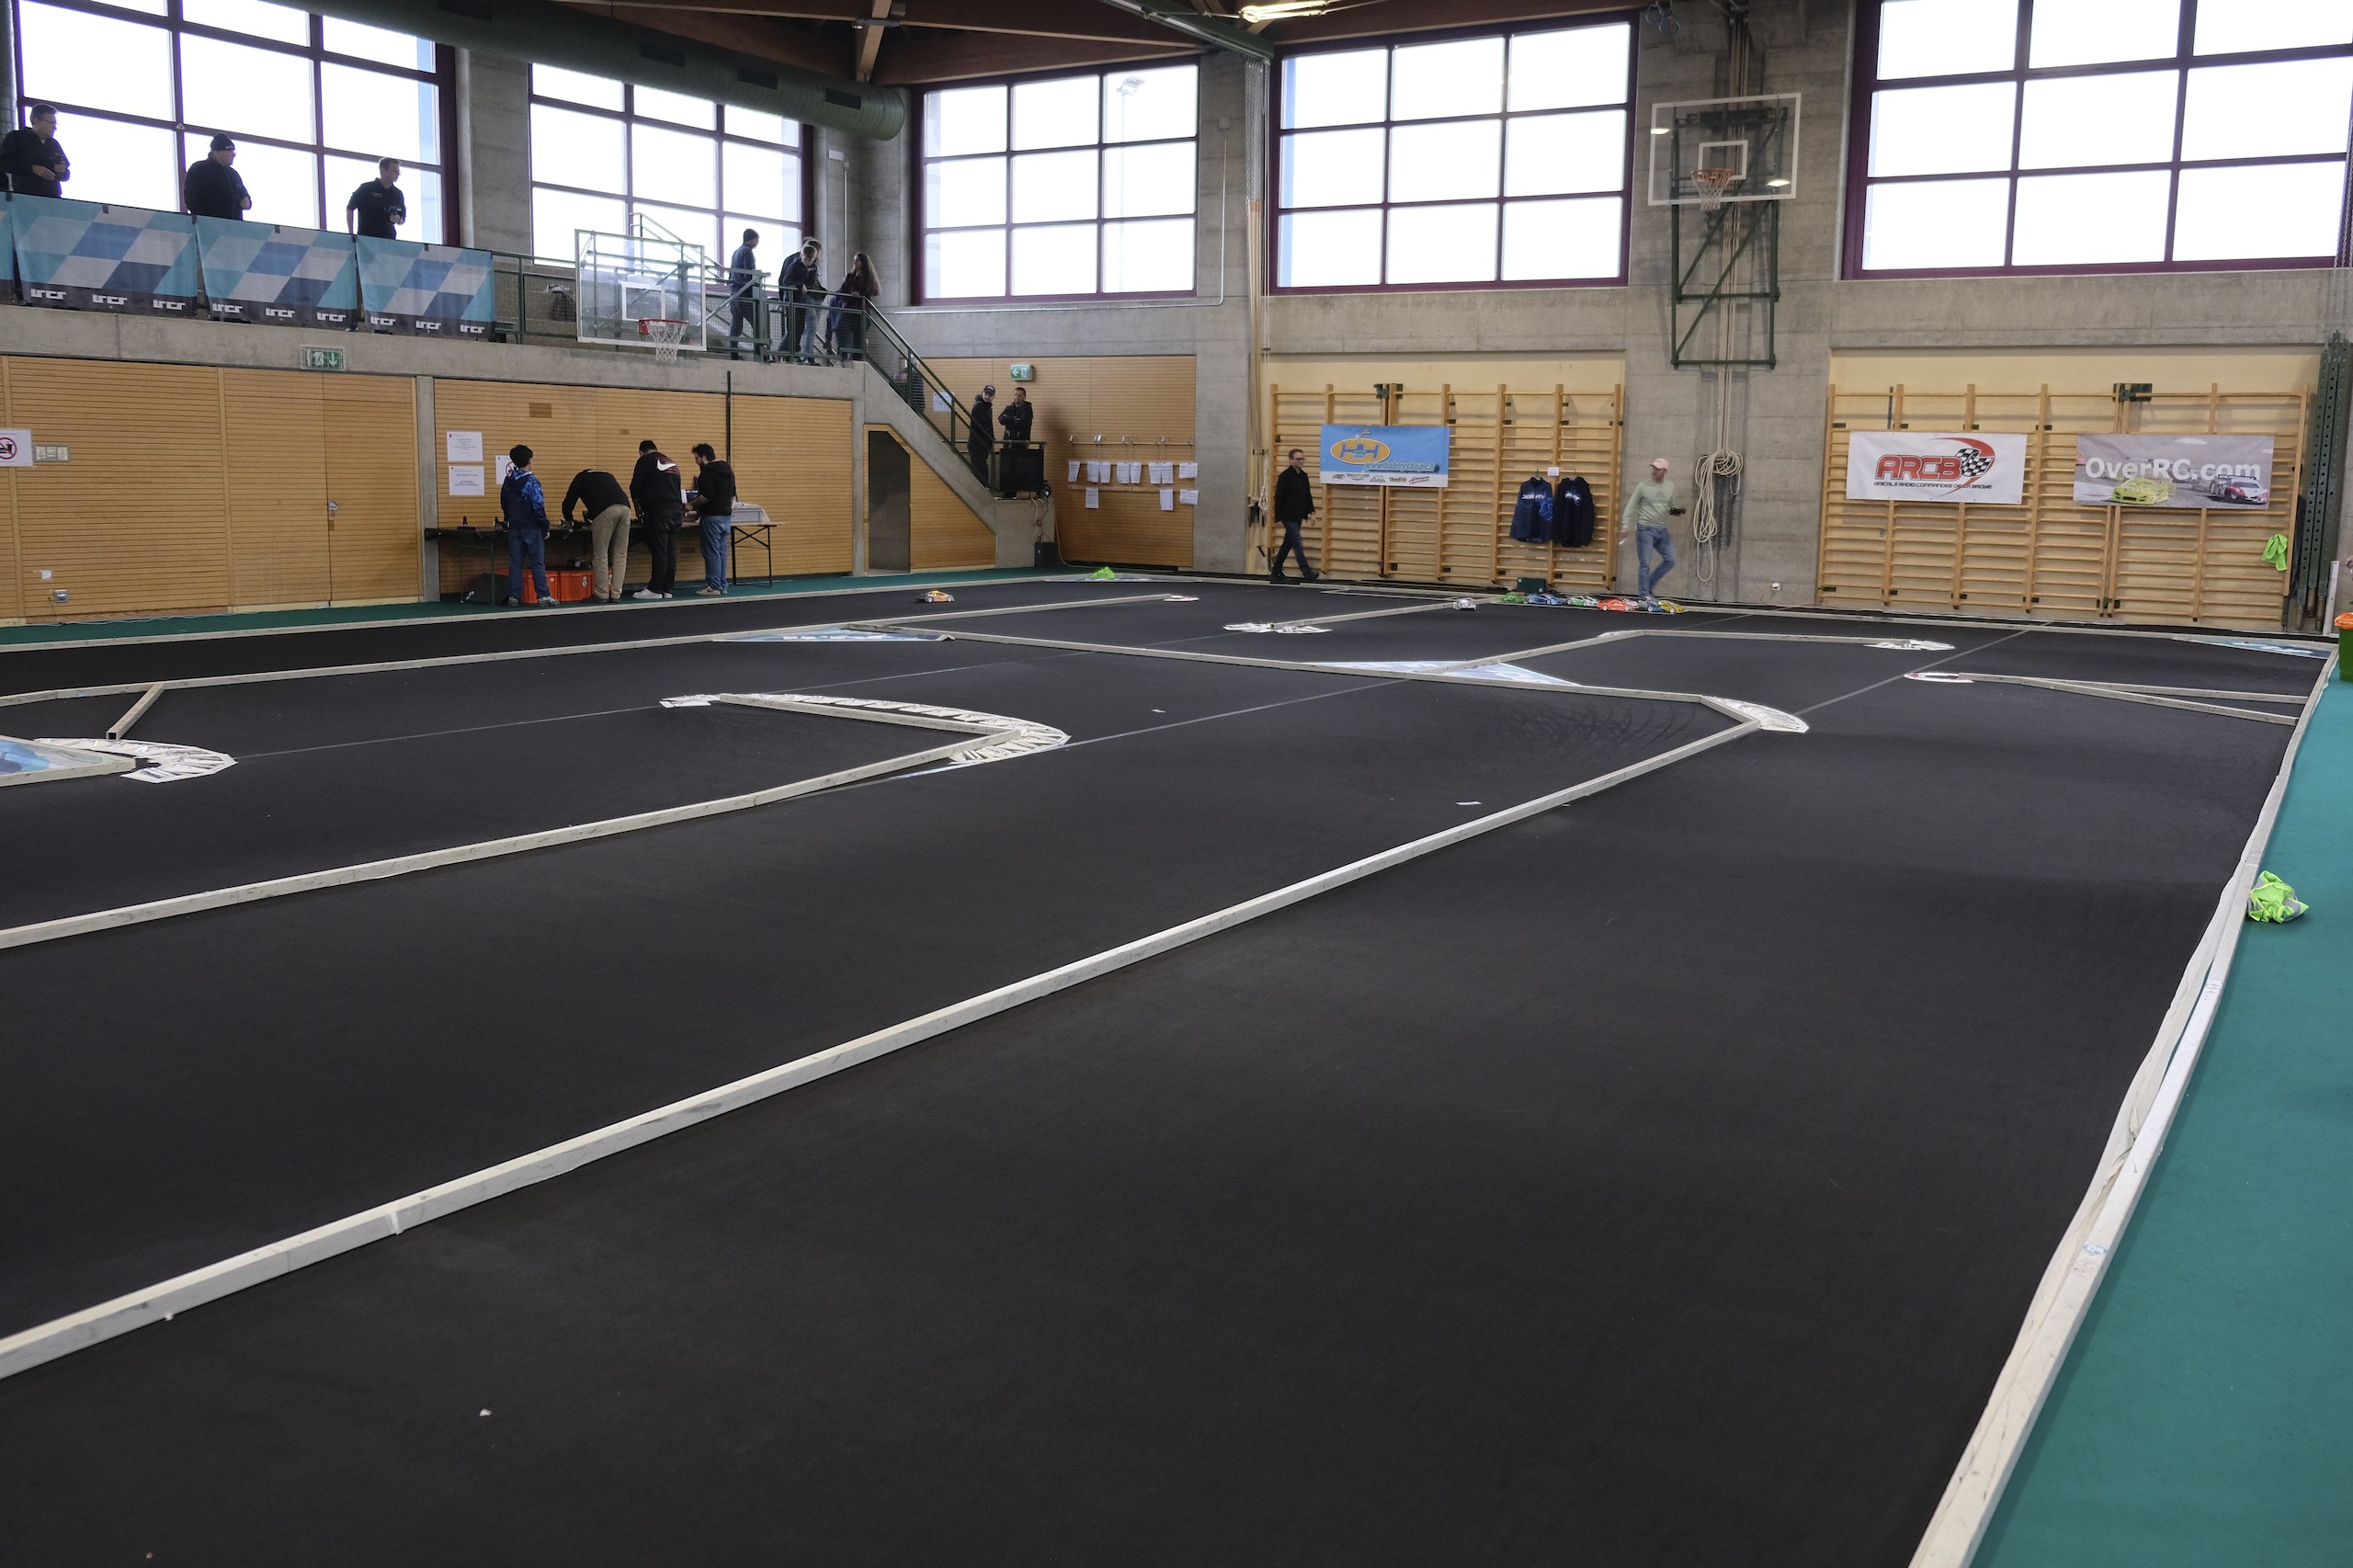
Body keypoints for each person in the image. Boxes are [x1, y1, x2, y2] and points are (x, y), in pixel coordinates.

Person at [563, 466, 633, 603]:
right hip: (625, 508)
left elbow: (568, 502)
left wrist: (569, 519)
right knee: (620, 555)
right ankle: (616, 594)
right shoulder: (607, 474)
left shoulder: (580, 477)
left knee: (601, 554)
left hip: (605, 511)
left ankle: (601, 594)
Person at [1620, 456, 1686, 601]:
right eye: (1654, 468)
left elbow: (1670, 506)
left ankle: (1648, 585)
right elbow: (1630, 506)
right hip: (1645, 529)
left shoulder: (1670, 487)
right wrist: (1625, 525)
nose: (1654, 471)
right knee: (1645, 564)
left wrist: (1676, 511)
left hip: (1662, 529)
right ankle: (1644, 594)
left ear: (1664, 471)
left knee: (1671, 559)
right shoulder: (1642, 486)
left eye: (1658, 469)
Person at [500, 445, 556, 608]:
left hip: (514, 526)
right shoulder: (531, 481)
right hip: (532, 527)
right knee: (537, 562)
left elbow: (504, 502)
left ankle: (514, 596)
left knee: (515, 563)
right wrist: (545, 526)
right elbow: (538, 506)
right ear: (529, 461)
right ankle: (543, 596)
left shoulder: (508, 481)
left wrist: (508, 518)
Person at [629, 439, 685, 600]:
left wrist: (638, 510)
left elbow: (636, 487)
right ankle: (667, 588)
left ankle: (655, 589)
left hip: (659, 511)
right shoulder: (671, 462)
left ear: (641, 452)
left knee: (659, 551)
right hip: (677, 511)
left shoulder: (644, 461)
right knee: (670, 550)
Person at [688, 441, 737, 597]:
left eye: (697, 458)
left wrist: (691, 504)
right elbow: (733, 496)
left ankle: (714, 586)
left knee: (711, 552)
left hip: (711, 517)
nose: (696, 461)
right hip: (726, 517)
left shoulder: (706, 473)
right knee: (721, 551)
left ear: (704, 457)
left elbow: (706, 496)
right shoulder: (728, 470)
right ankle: (722, 585)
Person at [1270, 447, 1321, 584]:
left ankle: (1275, 572)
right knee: (1297, 542)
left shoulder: (1303, 476)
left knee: (1287, 544)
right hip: (1288, 515)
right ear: (1291, 460)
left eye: (1302, 459)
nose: (1301, 461)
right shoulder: (1285, 476)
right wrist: (1278, 518)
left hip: (1298, 515)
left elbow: (1307, 496)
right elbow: (1278, 498)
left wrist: (1312, 513)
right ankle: (1306, 572)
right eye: (1298, 459)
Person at [1, 104, 69, 198]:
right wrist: (32, 168)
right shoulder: (17, 137)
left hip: (53, 198)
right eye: (51, 123)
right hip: (26, 197)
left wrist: (62, 171)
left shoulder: (54, 144)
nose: (54, 127)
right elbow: (4, 163)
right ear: (36, 120)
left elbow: (66, 174)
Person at [183, 134, 251, 220]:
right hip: (207, 223)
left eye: (234, 152)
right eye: (230, 152)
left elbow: (244, 196)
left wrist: (246, 201)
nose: (233, 155)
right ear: (218, 152)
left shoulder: (233, 175)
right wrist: (202, 217)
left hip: (233, 225)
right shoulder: (200, 169)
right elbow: (191, 197)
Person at [779, 238, 824, 361]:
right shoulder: (795, 264)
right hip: (793, 300)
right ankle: (791, 353)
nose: (807, 262)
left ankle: (792, 353)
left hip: (802, 299)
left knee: (799, 328)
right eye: (805, 259)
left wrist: (808, 284)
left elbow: (811, 282)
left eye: (810, 260)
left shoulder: (813, 268)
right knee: (795, 327)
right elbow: (786, 280)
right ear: (802, 255)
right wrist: (799, 285)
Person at [831, 251, 880, 361]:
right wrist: (850, 294)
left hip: (861, 310)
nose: (855, 263)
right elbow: (843, 290)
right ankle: (842, 357)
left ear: (863, 262)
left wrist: (860, 294)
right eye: (855, 260)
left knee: (858, 337)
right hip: (848, 308)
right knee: (841, 329)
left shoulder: (868, 278)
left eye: (857, 260)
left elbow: (870, 291)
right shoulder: (850, 276)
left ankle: (857, 360)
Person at [343, 158, 405, 240]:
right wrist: (351, 233)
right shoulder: (366, 188)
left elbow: (403, 217)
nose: (397, 174)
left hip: (389, 239)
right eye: (394, 171)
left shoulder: (397, 194)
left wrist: (398, 219)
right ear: (383, 170)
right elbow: (350, 208)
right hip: (366, 238)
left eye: (398, 171)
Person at [725, 228, 761, 361]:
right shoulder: (747, 252)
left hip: (734, 293)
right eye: (757, 239)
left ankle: (733, 352)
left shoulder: (736, 252)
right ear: (752, 239)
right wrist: (756, 292)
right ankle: (760, 353)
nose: (757, 242)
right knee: (758, 323)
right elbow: (749, 274)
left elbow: (731, 273)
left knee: (736, 323)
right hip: (745, 294)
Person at [996, 385, 1035, 498]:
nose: (1017, 397)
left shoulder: (1027, 409)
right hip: (1008, 442)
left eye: (1019, 395)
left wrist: (1009, 419)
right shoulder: (1009, 408)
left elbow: (1022, 422)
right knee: (1007, 467)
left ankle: (1015, 490)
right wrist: (1013, 419)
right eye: (1015, 395)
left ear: (1024, 397)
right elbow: (1001, 419)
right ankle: (1007, 491)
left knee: (1018, 467)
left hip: (1020, 444)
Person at [967, 385, 995, 487]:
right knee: (981, 470)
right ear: (982, 393)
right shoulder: (979, 406)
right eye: (986, 393)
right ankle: (981, 490)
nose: (987, 396)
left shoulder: (986, 407)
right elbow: (981, 426)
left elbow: (988, 426)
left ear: (993, 396)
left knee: (980, 468)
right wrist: (990, 439)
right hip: (977, 443)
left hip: (981, 443)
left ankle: (980, 489)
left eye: (990, 395)